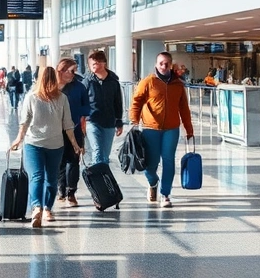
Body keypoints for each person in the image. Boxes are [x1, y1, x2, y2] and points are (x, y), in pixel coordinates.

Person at [11, 67, 81, 229]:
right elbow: (68, 125)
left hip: (33, 144)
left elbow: (24, 122)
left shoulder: (32, 97)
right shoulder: (62, 98)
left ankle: (37, 207)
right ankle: (47, 209)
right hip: (55, 145)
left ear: (39, 78)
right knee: (51, 179)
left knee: (37, 177)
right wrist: (75, 144)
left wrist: (18, 139)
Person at [130, 51, 194, 208]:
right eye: (161, 63)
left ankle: (165, 194)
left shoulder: (178, 84)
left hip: (171, 129)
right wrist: (134, 121)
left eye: (167, 63)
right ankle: (153, 182)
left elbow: (184, 108)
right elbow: (136, 102)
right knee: (150, 164)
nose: (164, 66)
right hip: (150, 128)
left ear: (171, 65)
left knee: (168, 160)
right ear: (156, 65)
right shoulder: (148, 82)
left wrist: (189, 129)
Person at [55, 58, 90, 207]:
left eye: (74, 71)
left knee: (73, 160)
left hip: (74, 129)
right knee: (58, 162)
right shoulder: (52, 87)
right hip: (55, 131)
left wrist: (76, 115)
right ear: (61, 71)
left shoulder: (79, 87)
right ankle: (61, 190)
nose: (73, 74)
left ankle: (71, 192)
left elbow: (87, 107)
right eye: (70, 71)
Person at [83, 50, 124, 166]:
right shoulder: (87, 81)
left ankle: (104, 179)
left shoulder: (113, 82)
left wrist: (119, 122)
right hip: (92, 120)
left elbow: (118, 103)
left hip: (109, 122)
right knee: (97, 150)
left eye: (95, 64)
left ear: (103, 63)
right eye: (91, 64)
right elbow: (82, 101)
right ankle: (98, 179)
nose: (92, 67)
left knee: (105, 156)